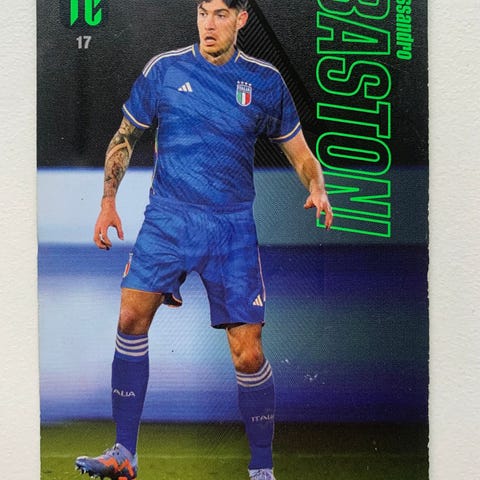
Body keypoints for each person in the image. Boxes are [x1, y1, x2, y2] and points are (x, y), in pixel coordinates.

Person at [75, 0, 333, 479]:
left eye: (219, 14)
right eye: (201, 12)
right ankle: (124, 453)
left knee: (248, 353)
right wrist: (108, 201)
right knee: (130, 316)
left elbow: (300, 154)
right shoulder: (165, 70)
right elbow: (125, 137)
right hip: (168, 219)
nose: (208, 24)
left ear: (241, 19)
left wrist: (316, 187)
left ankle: (261, 470)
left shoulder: (264, 82)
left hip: (230, 228)